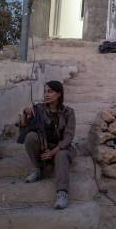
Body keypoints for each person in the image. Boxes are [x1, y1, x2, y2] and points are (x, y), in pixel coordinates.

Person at [20, 80, 76, 210]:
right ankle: (38, 169)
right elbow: (24, 128)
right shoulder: (38, 109)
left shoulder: (69, 112)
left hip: (61, 147)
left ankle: (62, 193)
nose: (46, 94)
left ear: (59, 94)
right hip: (44, 146)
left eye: (50, 91)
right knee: (30, 137)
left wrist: (54, 151)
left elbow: (69, 136)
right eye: (45, 91)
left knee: (61, 155)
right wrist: (25, 113)